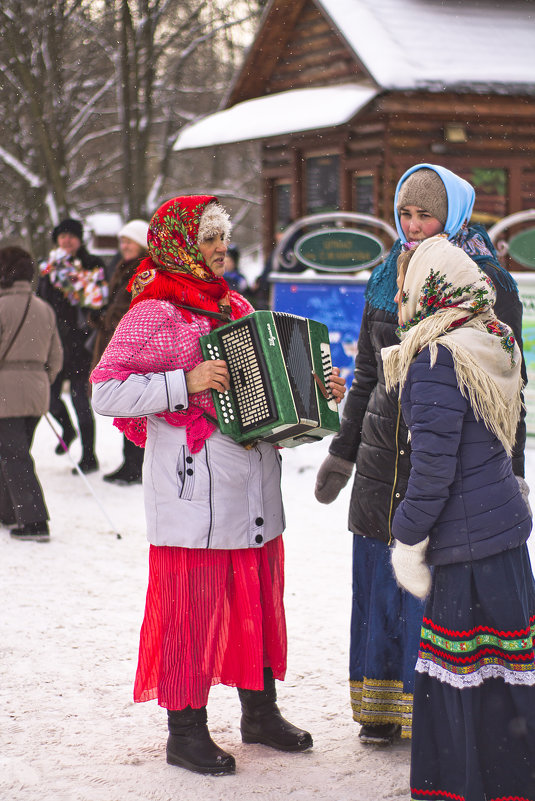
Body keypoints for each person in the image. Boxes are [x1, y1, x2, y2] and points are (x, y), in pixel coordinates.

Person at [90, 195, 346, 775]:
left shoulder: (233, 306)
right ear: (179, 244)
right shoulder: (154, 311)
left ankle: (260, 713)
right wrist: (185, 380)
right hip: (193, 490)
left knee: (253, 602)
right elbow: (104, 391)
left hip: (253, 484)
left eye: (222, 239)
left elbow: (266, 393)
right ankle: (185, 732)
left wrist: (316, 392)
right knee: (192, 611)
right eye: (207, 240)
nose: (219, 251)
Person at [315, 163, 527, 745]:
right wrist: (344, 450)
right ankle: (380, 708)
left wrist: (512, 471)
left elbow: (508, 386)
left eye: (424, 213)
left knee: (435, 585)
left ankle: (431, 707)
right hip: (386, 451)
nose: (412, 224)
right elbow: (363, 373)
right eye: (404, 212)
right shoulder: (385, 275)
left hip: (452, 456)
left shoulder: (484, 280)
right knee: (381, 583)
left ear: (452, 213)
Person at [384, 234, 534, 800]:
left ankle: (467, 782)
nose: (402, 296)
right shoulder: (491, 338)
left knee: (465, 672)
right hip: (503, 534)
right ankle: (514, 777)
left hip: (464, 547)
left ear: (430, 288)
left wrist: (404, 535)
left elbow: (433, 473)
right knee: (509, 667)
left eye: (407, 285)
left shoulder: (435, 358)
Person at [0, 246, 63, 542]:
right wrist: (39, 379)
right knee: (14, 452)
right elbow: (57, 358)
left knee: (14, 456)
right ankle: (10, 511)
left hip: (5, 393)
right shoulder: (44, 308)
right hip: (36, 392)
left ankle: (35, 521)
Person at [38, 218, 108, 474]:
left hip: (81, 345)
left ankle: (89, 456)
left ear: (80, 240)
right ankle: (67, 430)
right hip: (53, 343)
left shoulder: (93, 265)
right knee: (48, 397)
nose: (67, 240)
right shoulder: (49, 268)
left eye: (72, 236)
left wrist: (75, 285)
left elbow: (99, 300)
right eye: (62, 236)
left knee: (81, 402)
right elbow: (40, 301)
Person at [91, 219, 149, 485]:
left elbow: (130, 314)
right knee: (126, 406)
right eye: (122, 241)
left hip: (132, 348)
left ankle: (136, 464)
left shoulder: (142, 271)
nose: (124, 245)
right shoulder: (124, 268)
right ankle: (131, 462)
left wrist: (105, 318)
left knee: (133, 405)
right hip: (120, 344)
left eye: (129, 241)